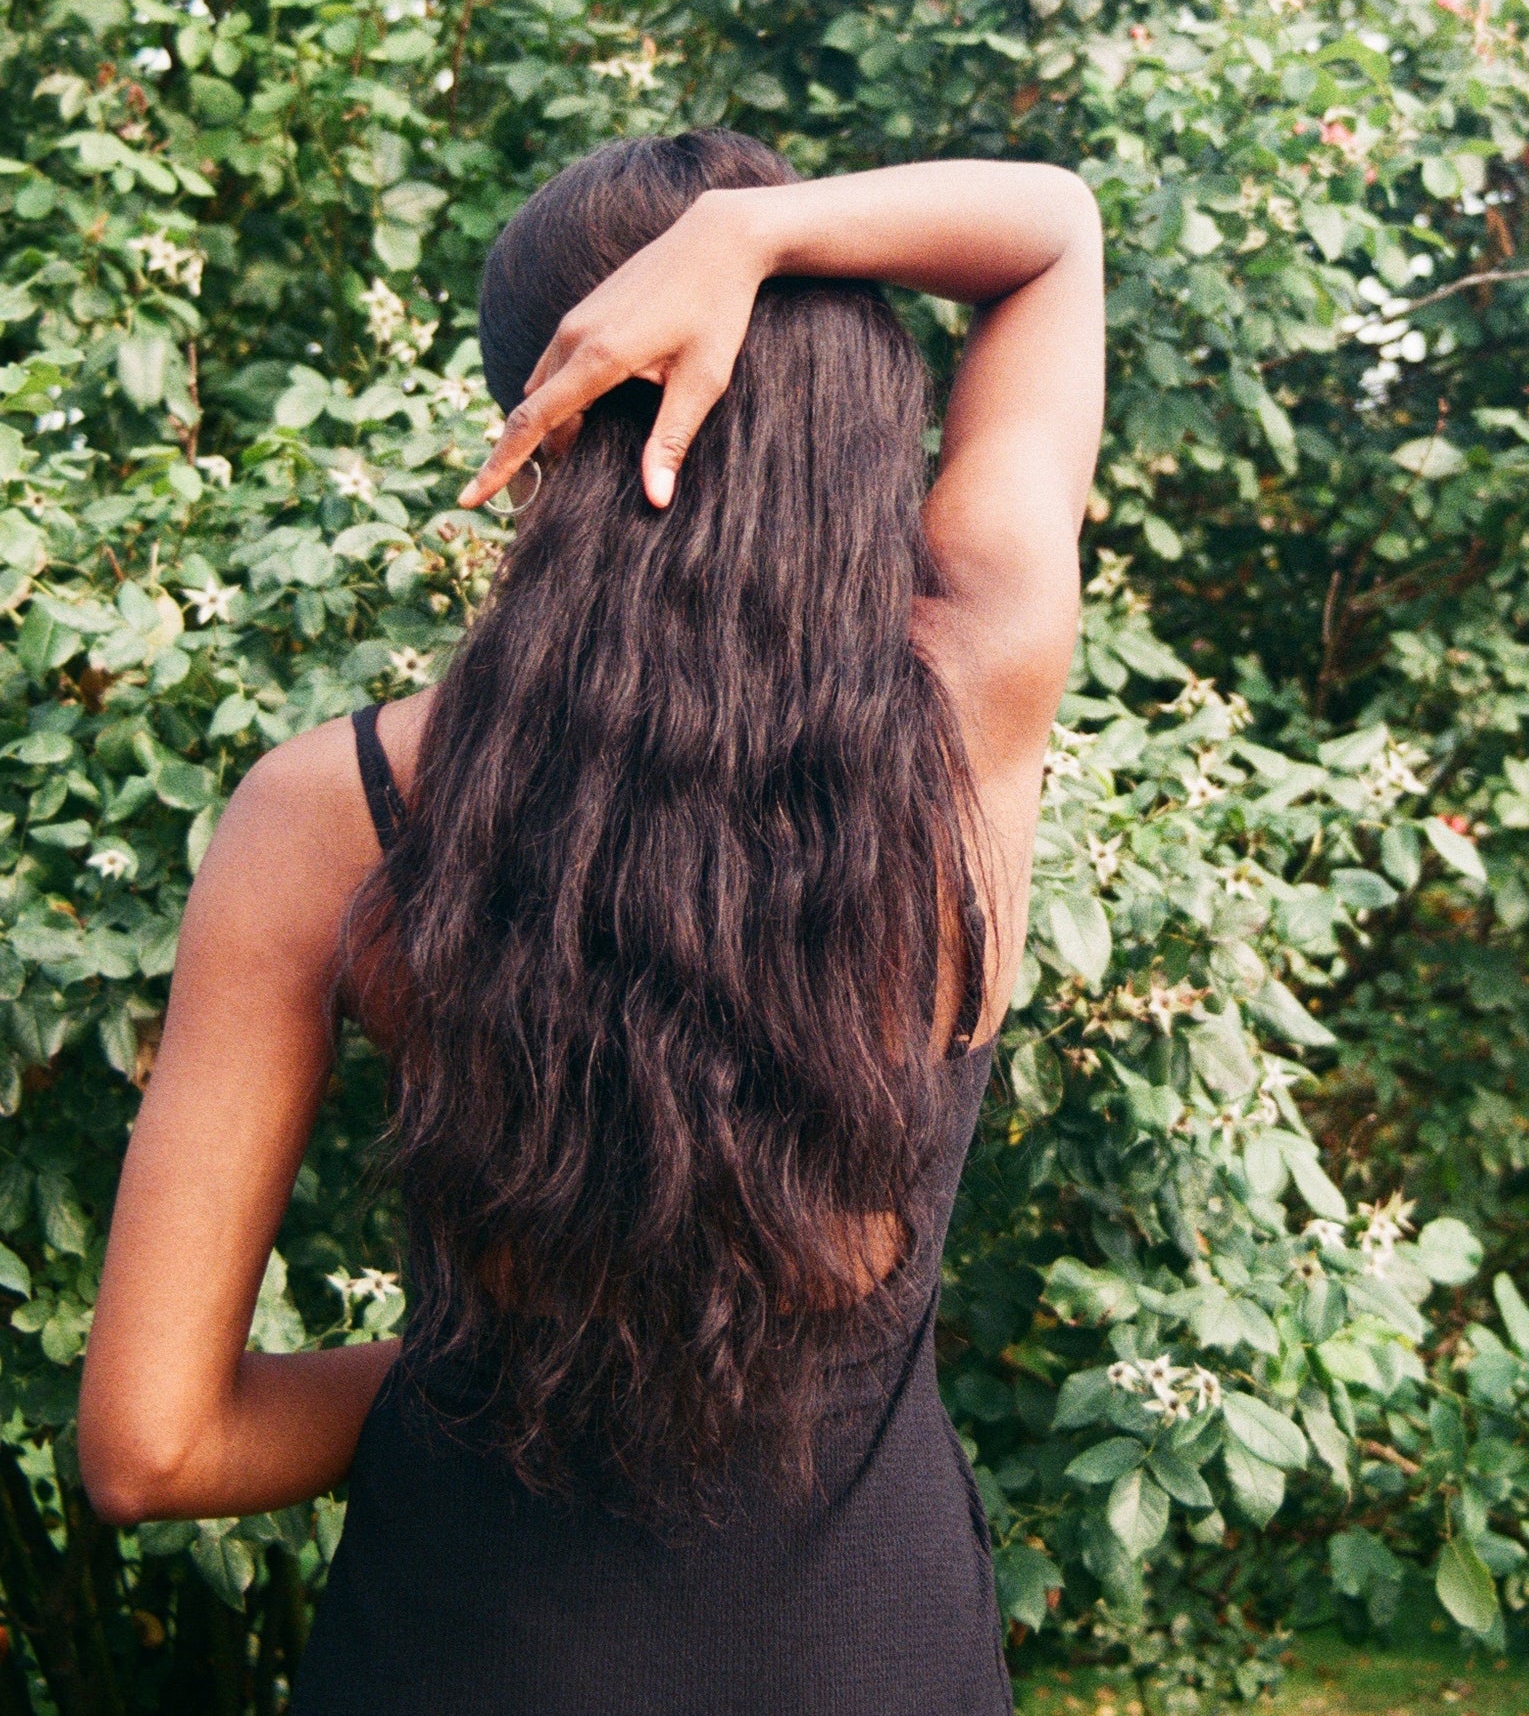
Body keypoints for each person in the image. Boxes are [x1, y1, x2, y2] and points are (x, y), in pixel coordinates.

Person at [78, 130, 1105, 1714]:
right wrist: (759, 240)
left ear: (541, 412)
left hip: (462, 1658)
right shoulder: (970, 693)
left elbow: (152, 1448)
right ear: (850, 397)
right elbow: (1049, 227)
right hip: (868, 1659)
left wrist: (503, 1384)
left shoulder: (332, 812)